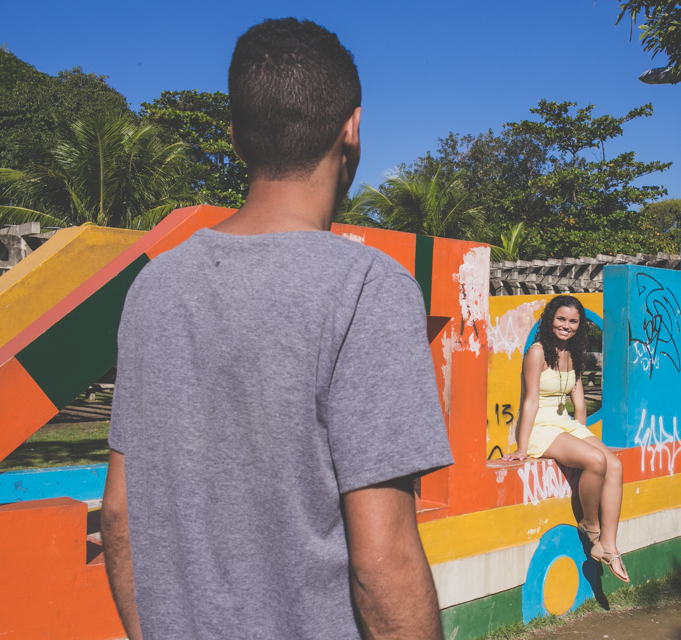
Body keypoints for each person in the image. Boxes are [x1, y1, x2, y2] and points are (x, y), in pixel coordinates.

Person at [100, 18, 452, 640]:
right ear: (352, 129)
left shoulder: (153, 287)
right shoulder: (368, 288)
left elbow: (120, 516)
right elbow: (383, 564)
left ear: (235, 136)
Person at [502, 296, 629, 583]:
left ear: (579, 326)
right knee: (596, 461)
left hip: (565, 423)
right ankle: (590, 525)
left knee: (615, 465)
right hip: (541, 426)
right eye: (561, 319)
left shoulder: (573, 354)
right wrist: (522, 447)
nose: (566, 326)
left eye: (573, 321)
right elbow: (530, 401)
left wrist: (582, 435)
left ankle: (609, 546)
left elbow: (579, 401)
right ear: (550, 319)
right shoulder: (537, 352)